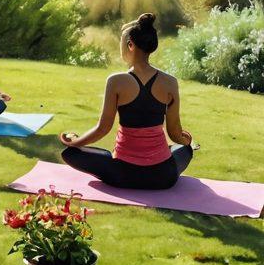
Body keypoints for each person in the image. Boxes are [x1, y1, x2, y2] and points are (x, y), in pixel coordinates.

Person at [60, 12, 194, 190]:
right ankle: (166, 152)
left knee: (71, 154)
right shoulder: (170, 82)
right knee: (185, 150)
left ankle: (109, 156)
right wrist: (186, 141)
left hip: (122, 174)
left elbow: (103, 128)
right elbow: (175, 132)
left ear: (130, 45)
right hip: (162, 177)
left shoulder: (116, 81)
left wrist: (75, 142)